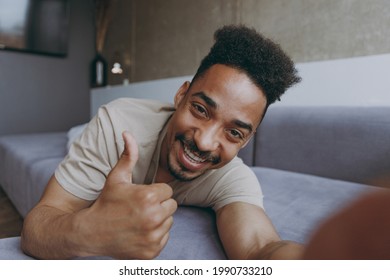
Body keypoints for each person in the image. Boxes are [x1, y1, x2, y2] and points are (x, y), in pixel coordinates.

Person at [21, 25, 303, 259]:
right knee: (75, 133)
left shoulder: (231, 176)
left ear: (247, 140)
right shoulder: (117, 123)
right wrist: (91, 231)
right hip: (88, 136)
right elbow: (36, 227)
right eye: (201, 110)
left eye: (234, 133)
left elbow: (260, 249)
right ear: (181, 95)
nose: (205, 142)